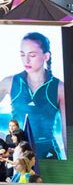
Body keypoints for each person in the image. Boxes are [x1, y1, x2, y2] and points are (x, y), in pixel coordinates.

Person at [0, 33, 65, 161]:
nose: (26, 60)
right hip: (19, 152)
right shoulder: (9, 82)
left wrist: (70, 163)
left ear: (46, 56)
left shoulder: (59, 87)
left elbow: (67, 131)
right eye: (22, 55)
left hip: (48, 152)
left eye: (32, 55)